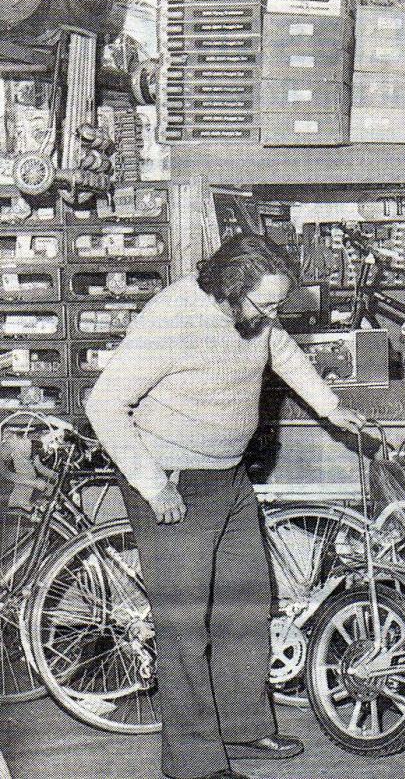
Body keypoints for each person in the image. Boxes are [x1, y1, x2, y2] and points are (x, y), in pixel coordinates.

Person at [85, 234, 366, 779]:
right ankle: (192, 762)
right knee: (184, 625)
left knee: (245, 603)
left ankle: (240, 726)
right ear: (231, 289)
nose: (273, 315)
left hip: (227, 473)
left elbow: (278, 348)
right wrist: (152, 485)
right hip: (173, 481)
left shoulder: (252, 314)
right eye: (266, 304)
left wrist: (332, 408)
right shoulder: (173, 318)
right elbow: (103, 403)